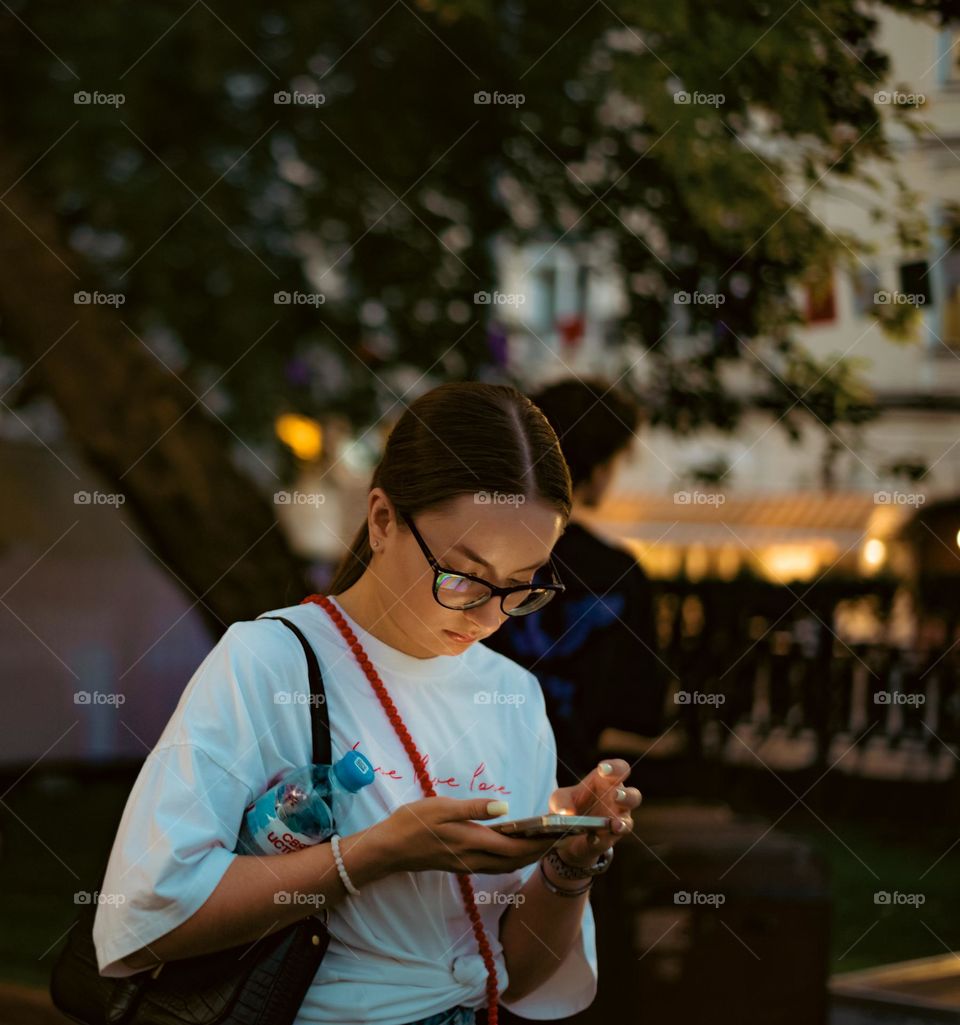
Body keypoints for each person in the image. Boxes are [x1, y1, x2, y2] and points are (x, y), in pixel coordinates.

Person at [92, 381, 642, 1025]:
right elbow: (148, 913)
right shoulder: (271, 660)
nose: (490, 617)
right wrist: (376, 853)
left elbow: (515, 977)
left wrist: (569, 864)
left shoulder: (512, 694)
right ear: (382, 520)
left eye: (522, 587)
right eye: (463, 575)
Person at [484, 377, 668, 788]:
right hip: (575, 784)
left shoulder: (480, 555)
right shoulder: (619, 572)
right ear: (601, 466)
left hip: (471, 772)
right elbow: (642, 710)